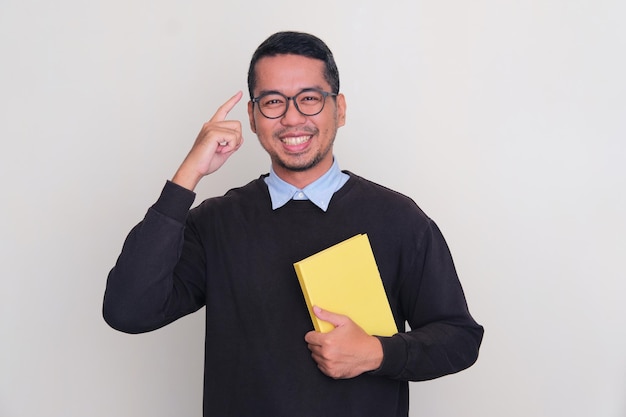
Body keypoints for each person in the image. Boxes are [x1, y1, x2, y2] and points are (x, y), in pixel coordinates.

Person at [103, 31, 484, 417]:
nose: (292, 118)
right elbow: (127, 310)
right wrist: (188, 175)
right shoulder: (216, 222)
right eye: (272, 102)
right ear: (252, 118)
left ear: (340, 109)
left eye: (309, 99)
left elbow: (460, 338)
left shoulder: (399, 219)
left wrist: (378, 352)